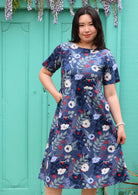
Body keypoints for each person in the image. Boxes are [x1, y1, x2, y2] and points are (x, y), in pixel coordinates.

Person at [38, 6, 130, 195]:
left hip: (97, 122)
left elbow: (111, 94)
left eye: (90, 24)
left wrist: (120, 124)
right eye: (81, 25)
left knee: (91, 174)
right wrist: (57, 95)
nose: (86, 29)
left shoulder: (106, 55)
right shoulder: (64, 49)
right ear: (76, 27)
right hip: (66, 121)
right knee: (55, 171)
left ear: (97, 26)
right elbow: (44, 73)